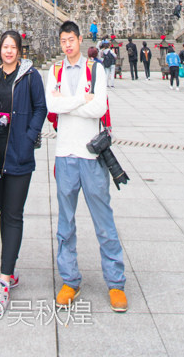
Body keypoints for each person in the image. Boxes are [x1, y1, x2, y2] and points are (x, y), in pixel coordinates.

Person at [46, 20, 127, 312]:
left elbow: (99, 108)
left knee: (103, 221)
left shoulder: (96, 70)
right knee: (65, 223)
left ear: (80, 40)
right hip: (65, 155)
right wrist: (81, 100)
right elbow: (51, 107)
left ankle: (116, 283)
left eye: (72, 39)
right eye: (63, 40)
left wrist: (68, 103)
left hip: (92, 156)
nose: (68, 44)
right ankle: (70, 279)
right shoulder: (53, 72)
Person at [0, 30, 47, 316]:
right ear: (0, 49)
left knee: (13, 213)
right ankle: (8, 267)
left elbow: (40, 108)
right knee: (4, 211)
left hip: (18, 153)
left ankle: (4, 278)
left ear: (20, 50)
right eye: (5, 46)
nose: (9, 51)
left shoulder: (30, 75)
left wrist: (28, 136)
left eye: (14, 47)